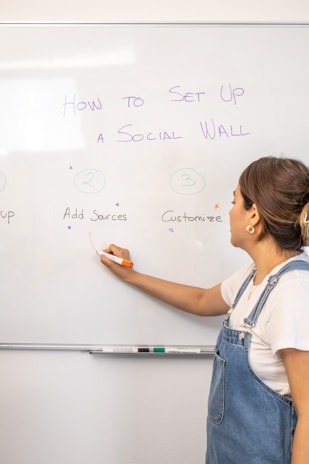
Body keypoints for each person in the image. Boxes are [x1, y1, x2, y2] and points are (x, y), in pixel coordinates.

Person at [100, 156, 309, 464]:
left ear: (253, 215)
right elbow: (201, 300)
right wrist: (131, 275)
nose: (229, 211)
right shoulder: (255, 276)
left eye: (234, 201)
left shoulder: (292, 291)